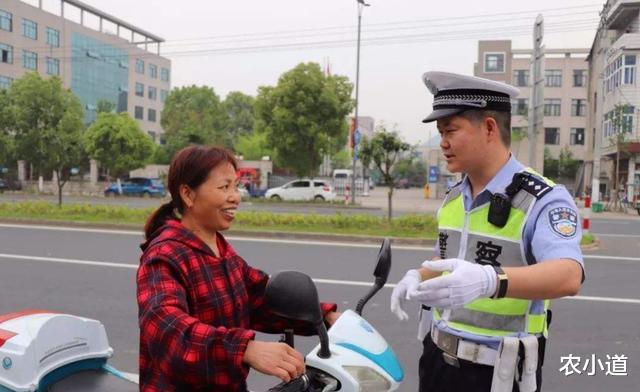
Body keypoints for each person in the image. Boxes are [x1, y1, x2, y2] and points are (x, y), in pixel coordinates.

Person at [390, 72, 585, 392]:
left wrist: (490, 281)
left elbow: (568, 275)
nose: (443, 143)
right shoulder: (454, 197)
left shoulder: (542, 199)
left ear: (490, 128)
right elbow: (450, 259)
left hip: (497, 375)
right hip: (437, 362)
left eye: (451, 130)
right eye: (440, 133)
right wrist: (418, 275)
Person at [137, 146, 339, 391]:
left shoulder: (222, 251)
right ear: (188, 195)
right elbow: (168, 333)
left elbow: (260, 299)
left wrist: (323, 317)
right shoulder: (164, 256)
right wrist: (245, 349)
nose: (236, 197)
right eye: (224, 187)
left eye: (236, 186)